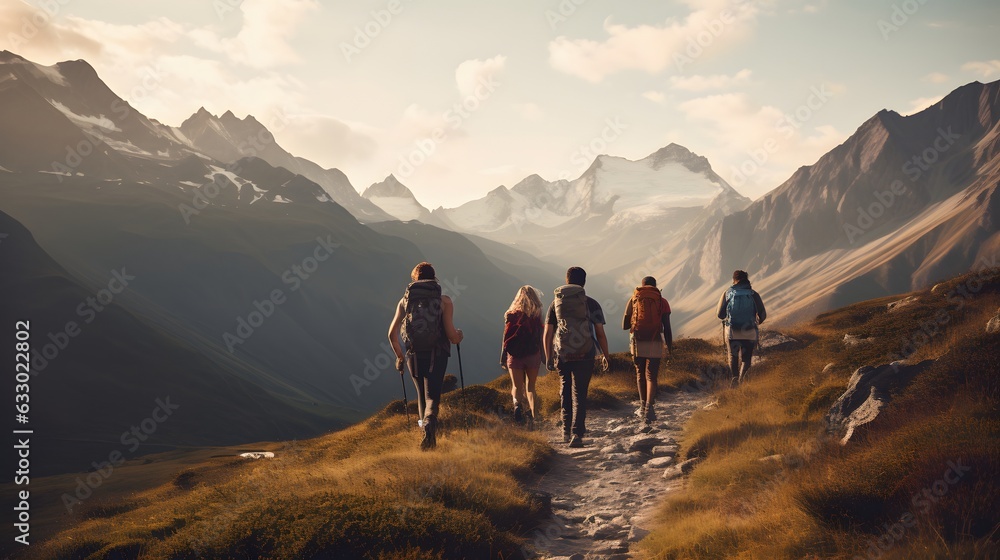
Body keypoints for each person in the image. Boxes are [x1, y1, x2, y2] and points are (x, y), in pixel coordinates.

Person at [389, 262, 464, 450]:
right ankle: (430, 423)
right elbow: (450, 335)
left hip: (412, 355)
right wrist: (458, 336)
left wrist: (399, 357)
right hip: (436, 354)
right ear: (434, 278)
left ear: (415, 279)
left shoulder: (404, 301)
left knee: (421, 396)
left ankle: (425, 436)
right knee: (432, 397)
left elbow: (391, 334)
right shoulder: (444, 301)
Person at [544, 267, 610, 448]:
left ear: (566, 281)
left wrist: (549, 356)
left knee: (565, 389)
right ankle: (577, 433)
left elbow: (548, 333)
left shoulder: (555, 303)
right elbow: (600, 333)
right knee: (580, 393)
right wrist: (605, 355)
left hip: (563, 353)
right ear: (584, 282)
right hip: (585, 353)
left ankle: (565, 430)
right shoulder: (592, 304)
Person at [622, 276, 673, 425]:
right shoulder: (662, 301)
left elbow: (624, 325)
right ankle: (650, 408)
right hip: (655, 339)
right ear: (655, 287)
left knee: (640, 373)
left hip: (637, 340)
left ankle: (642, 405)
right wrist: (669, 348)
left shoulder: (634, 299)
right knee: (651, 375)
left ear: (641, 286)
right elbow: (667, 327)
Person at [500, 286, 544, 427]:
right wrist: (544, 355)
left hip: (515, 355)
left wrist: (503, 356)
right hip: (533, 354)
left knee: (517, 387)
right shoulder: (537, 313)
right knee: (531, 387)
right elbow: (541, 336)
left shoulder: (510, 314)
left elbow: (505, 337)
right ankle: (534, 415)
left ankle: (517, 407)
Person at [716, 270, 766, 385]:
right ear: (747, 280)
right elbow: (762, 314)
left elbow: (720, 315)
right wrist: (756, 322)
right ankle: (742, 382)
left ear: (734, 280)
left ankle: (734, 381)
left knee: (733, 357)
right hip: (749, 329)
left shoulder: (727, 293)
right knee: (746, 359)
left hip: (732, 331)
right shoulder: (753, 294)